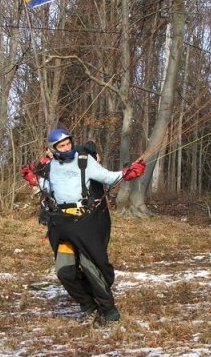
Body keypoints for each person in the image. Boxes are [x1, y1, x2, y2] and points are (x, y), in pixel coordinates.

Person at [21, 128, 145, 326]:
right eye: (62, 145)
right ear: (53, 148)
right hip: (61, 225)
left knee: (91, 268)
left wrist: (127, 173)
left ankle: (109, 310)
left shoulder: (84, 161)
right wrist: (34, 180)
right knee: (64, 271)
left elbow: (109, 178)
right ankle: (88, 306)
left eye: (68, 143)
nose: (67, 147)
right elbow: (51, 188)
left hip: (85, 223)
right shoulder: (51, 166)